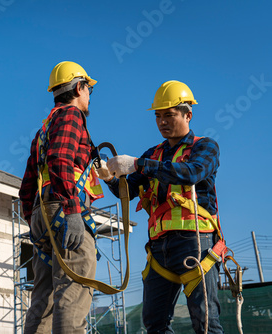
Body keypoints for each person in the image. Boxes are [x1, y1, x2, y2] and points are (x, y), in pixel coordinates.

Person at [98, 80, 225, 333]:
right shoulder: (152, 154)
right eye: (158, 116)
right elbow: (129, 191)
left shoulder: (205, 146)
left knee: (206, 322)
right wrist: (110, 178)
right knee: (154, 323)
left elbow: (192, 172)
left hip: (195, 243)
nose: (162, 122)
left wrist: (138, 164)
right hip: (159, 249)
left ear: (188, 115)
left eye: (169, 115)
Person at [19, 61, 104, 333]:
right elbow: (59, 158)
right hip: (65, 211)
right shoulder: (71, 116)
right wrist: (72, 211)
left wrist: (34, 220)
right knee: (73, 291)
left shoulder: (43, 129)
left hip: (42, 214)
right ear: (79, 87)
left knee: (43, 297)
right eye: (88, 90)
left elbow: (28, 184)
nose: (89, 96)